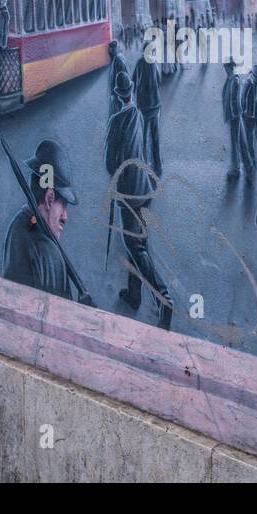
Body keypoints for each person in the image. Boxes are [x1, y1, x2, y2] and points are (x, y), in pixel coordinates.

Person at [106, 72, 172, 329]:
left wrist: (116, 179)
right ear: (131, 91)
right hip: (144, 188)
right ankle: (135, 295)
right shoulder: (138, 115)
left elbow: (109, 161)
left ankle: (163, 296)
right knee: (140, 241)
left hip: (128, 192)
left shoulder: (116, 120)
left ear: (116, 94)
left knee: (134, 246)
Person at [1, 139, 78, 301]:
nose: (65, 216)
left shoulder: (19, 223)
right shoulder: (48, 251)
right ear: (50, 199)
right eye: (63, 205)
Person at [132, 51, 163, 176]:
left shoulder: (139, 63)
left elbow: (133, 80)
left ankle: (145, 165)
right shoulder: (154, 63)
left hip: (144, 107)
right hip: (155, 105)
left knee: (144, 137)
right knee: (155, 137)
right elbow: (159, 81)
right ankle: (158, 165)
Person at [222, 60, 241, 178]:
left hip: (234, 117)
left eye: (226, 67)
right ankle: (237, 165)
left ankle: (235, 168)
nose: (225, 70)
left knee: (235, 142)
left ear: (229, 68)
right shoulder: (230, 79)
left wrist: (233, 115)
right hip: (232, 116)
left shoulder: (234, 80)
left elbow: (234, 100)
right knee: (235, 141)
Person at [106, 40, 127, 117]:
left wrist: (122, 93)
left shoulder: (118, 60)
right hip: (116, 94)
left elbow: (124, 76)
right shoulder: (115, 59)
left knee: (118, 114)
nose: (109, 53)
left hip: (118, 95)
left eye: (111, 50)